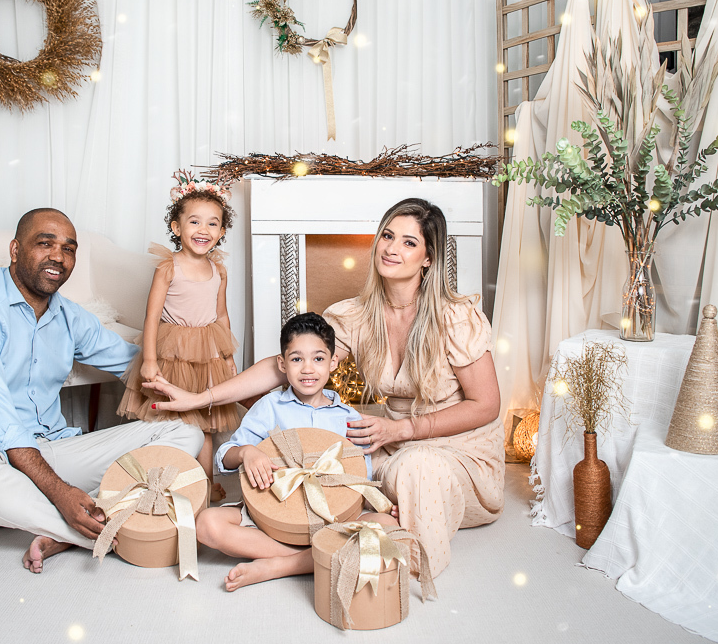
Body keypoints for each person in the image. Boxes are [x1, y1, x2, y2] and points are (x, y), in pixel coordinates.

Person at [149, 198, 503, 578]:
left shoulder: (456, 317)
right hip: (393, 442)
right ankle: (303, 559)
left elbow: (486, 404)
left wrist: (404, 429)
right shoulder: (357, 315)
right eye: (387, 236)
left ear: (428, 258)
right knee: (333, 481)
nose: (392, 248)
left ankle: (395, 566)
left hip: (457, 447)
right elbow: (289, 362)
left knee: (405, 480)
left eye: (409, 242)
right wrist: (201, 398)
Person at [0, 208, 204, 574]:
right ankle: (86, 527)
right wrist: (60, 493)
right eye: (45, 244)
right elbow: (1, 426)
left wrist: (211, 389)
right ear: (15, 250)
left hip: (54, 453)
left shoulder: (69, 315)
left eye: (68, 249)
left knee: (186, 431)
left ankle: (68, 526)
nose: (58, 257)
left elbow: (135, 364)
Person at [196, 312, 397, 591]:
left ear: (333, 362)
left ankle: (279, 566)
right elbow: (225, 456)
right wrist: (246, 453)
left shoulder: (349, 418)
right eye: (296, 359)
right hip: (273, 517)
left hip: (333, 519)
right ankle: (312, 559)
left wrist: (381, 504)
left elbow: (360, 476)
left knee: (387, 526)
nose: (307, 369)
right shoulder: (270, 407)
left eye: (318, 358)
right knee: (207, 524)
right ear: (282, 363)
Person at [116, 171, 242, 501]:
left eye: (213, 223)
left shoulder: (219, 270)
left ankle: (205, 483)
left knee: (205, 424)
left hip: (207, 354)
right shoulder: (168, 267)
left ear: (222, 232)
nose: (203, 230)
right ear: (176, 227)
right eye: (194, 222)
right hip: (172, 354)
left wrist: (228, 356)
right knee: (175, 422)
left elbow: (221, 315)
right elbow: (151, 316)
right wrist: (150, 360)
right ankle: (167, 480)